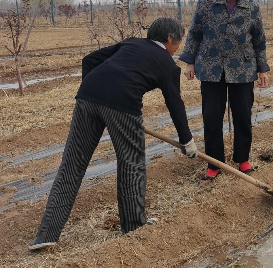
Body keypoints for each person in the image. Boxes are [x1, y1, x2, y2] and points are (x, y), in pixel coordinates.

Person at [29, 18, 197, 251]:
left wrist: (97, 93)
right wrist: (186, 140)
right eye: (178, 42)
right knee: (131, 164)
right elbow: (175, 104)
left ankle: (45, 236)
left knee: (72, 165)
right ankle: (134, 225)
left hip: (87, 96)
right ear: (170, 38)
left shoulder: (131, 43)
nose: (177, 48)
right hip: (123, 105)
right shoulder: (168, 65)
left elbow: (89, 60)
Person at [180, 0, 270, 180]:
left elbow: (259, 39)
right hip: (211, 69)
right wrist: (189, 61)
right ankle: (214, 162)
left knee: (242, 117)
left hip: (243, 69)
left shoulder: (251, 6)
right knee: (211, 117)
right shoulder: (207, 2)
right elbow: (194, 33)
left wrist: (263, 69)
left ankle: (243, 159)